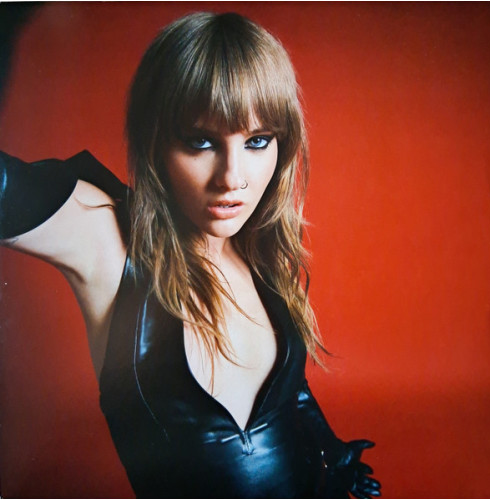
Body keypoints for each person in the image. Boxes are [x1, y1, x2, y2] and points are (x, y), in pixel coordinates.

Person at [0, 12, 381, 499]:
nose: (232, 179)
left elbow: (291, 393)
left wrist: (329, 452)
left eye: (257, 141)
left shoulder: (253, 249)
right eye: (201, 141)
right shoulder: (106, 237)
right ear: (154, 140)